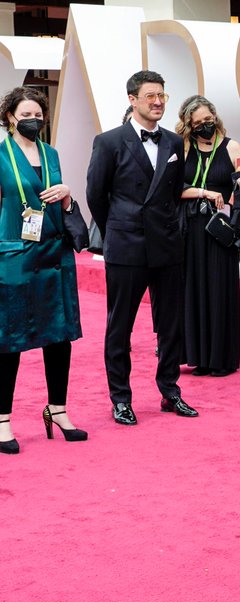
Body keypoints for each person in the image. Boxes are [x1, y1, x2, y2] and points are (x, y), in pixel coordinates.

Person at [86, 70, 197, 425]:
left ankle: (170, 391)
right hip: (126, 245)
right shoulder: (109, 141)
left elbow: (174, 192)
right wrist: (118, 229)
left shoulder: (173, 142)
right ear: (132, 100)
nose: (158, 102)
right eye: (151, 96)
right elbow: (95, 195)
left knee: (170, 325)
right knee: (120, 327)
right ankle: (120, 398)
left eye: (162, 95)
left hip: (166, 245)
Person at [0, 86, 86, 454]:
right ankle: (2, 419)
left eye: (38, 115)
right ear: (10, 118)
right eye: (26, 115)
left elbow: (62, 207)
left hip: (54, 253)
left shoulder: (51, 154)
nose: (33, 120)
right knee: (9, 338)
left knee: (58, 335)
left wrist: (66, 195)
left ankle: (57, 409)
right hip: (15, 255)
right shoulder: (1, 155)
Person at [176, 95, 240, 377]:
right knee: (193, 290)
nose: (204, 126)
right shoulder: (183, 147)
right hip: (189, 228)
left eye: (208, 120)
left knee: (220, 289)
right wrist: (204, 192)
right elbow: (172, 188)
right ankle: (199, 357)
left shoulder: (233, 146)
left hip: (221, 229)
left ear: (215, 117)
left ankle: (221, 359)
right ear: (189, 125)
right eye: (198, 123)